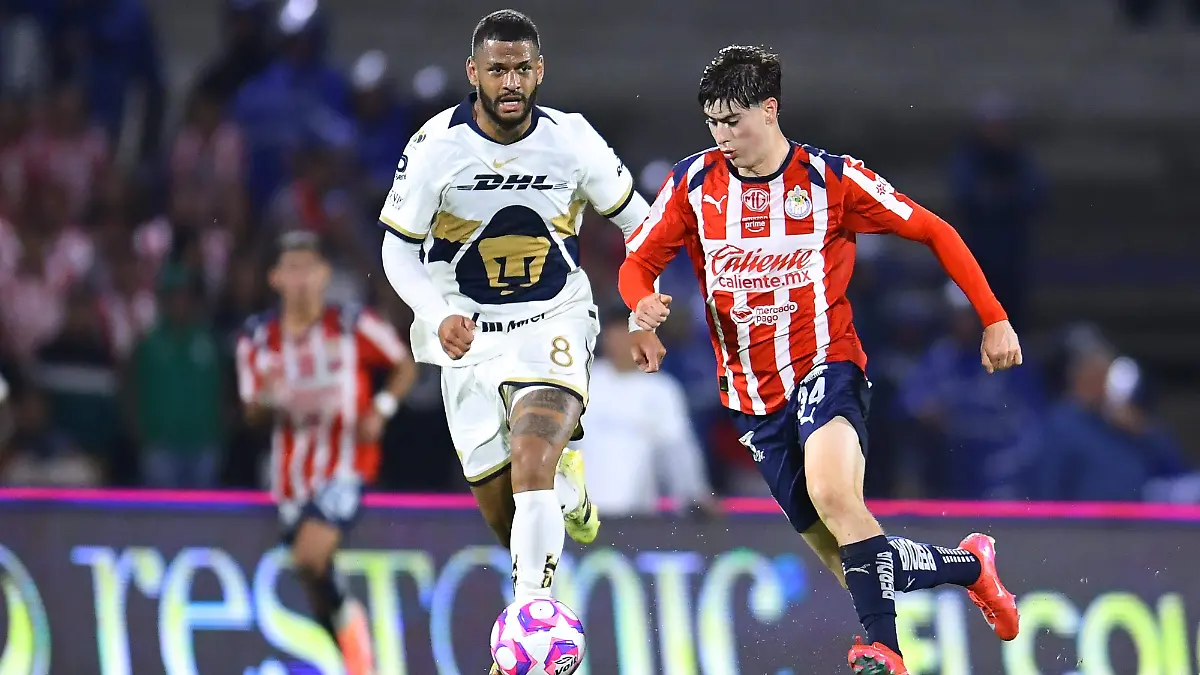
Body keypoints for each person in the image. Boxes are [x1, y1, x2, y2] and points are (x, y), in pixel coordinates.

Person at [618, 45, 1022, 675]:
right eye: (713, 123)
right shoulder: (693, 184)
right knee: (850, 559)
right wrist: (640, 307)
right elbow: (637, 263)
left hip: (825, 366)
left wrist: (993, 317)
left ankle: (885, 652)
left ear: (769, 109)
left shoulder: (832, 180)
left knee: (835, 493)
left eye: (733, 121)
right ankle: (970, 566)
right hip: (751, 396)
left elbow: (933, 229)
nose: (722, 136)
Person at [377, 8, 664, 658]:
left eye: (522, 69)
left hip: (552, 319)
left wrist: (641, 301)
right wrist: (437, 313)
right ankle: (566, 490)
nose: (510, 81)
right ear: (473, 72)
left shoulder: (573, 140)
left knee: (533, 455)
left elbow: (640, 224)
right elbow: (397, 250)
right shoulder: (435, 147)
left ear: (540, 71)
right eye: (497, 69)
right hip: (468, 335)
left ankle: (533, 622)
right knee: (506, 515)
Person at [236, 231, 417, 675]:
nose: (301, 279)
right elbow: (251, 412)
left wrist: (381, 408)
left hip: (347, 465)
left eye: (309, 268)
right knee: (315, 577)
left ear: (324, 275)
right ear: (275, 278)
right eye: (291, 269)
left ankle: (356, 652)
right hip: (290, 478)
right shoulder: (258, 338)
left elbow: (404, 363)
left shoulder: (352, 325)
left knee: (309, 556)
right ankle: (352, 648)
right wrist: (269, 399)